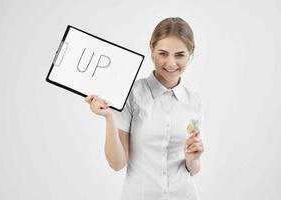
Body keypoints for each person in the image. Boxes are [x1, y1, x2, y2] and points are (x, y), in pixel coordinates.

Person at [85, 17, 204, 200]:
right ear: (152, 50)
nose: (171, 63)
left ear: (191, 52)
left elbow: (192, 169)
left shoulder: (193, 100)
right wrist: (109, 116)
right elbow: (117, 163)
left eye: (179, 55)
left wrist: (193, 158)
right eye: (163, 53)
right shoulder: (131, 94)